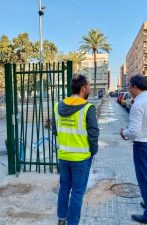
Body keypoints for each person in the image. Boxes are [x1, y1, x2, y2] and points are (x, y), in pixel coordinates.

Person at [53, 74, 99, 225]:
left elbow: (55, 130)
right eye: (89, 87)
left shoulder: (58, 106)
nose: (90, 89)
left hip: (63, 156)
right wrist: (93, 151)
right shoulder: (87, 108)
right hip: (81, 158)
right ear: (83, 88)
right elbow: (93, 134)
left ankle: (61, 219)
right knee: (77, 193)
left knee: (64, 188)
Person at [120, 75, 147, 225]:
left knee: (145, 182)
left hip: (143, 147)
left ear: (135, 87)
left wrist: (123, 133)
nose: (129, 90)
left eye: (129, 87)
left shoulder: (138, 104)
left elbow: (134, 132)